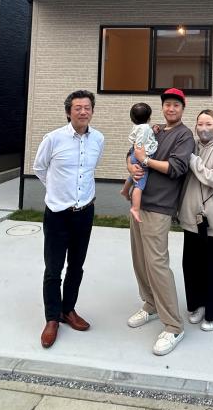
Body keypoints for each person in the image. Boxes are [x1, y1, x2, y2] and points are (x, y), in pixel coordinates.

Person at [32, 90, 105, 349]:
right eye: (78, 108)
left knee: (76, 266)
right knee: (53, 269)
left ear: (92, 111)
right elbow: (39, 168)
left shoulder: (98, 139)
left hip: (84, 212)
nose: (83, 111)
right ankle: (52, 318)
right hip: (57, 214)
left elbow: (90, 170)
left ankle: (68, 310)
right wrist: (56, 191)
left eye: (87, 107)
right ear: (68, 112)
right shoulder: (53, 139)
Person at [125, 88, 194, 356]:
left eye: (176, 105)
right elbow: (132, 152)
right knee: (140, 259)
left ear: (182, 108)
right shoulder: (154, 130)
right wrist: (132, 166)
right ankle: (151, 304)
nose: (171, 108)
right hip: (139, 203)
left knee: (157, 264)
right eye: (167, 104)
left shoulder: (184, 136)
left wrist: (146, 160)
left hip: (160, 206)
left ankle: (174, 325)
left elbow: (176, 168)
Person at [178, 109, 213, 331]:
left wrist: (193, 161)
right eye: (200, 124)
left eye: (208, 124)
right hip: (191, 218)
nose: (203, 128)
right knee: (193, 265)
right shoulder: (191, 146)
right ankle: (198, 304)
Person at [120, 102, 157, 223]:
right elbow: (142, 139)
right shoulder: (145, 128)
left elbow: (135, 138)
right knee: (140, 185)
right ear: (149, 117)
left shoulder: (136, 127)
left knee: (134, 175)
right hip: (141, 155)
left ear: (132, 119)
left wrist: (152, 131)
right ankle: (135, 208)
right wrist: (141, 154)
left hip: (134, 153)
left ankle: (125, 190)